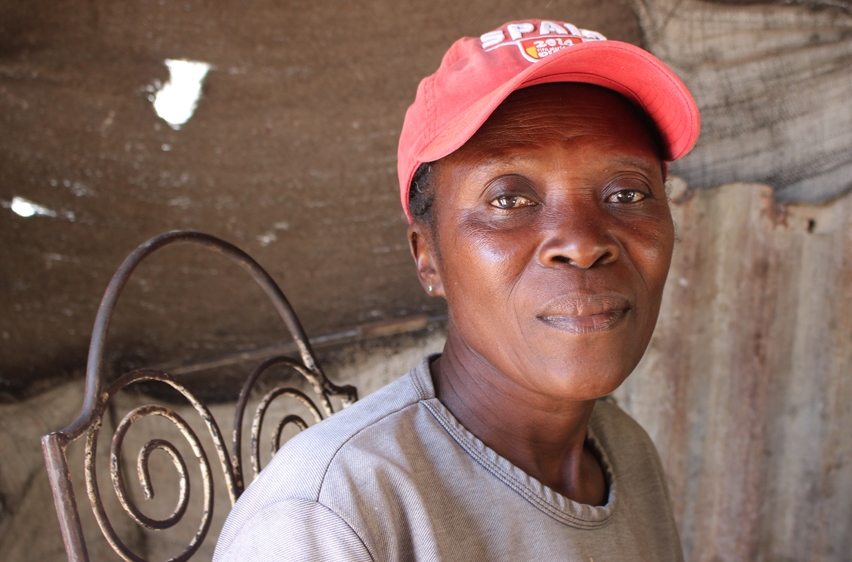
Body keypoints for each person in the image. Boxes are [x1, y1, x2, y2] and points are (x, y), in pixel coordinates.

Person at [214, 18, 699, 561]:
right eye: (508, 199)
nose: (582, 244)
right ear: (429, 259)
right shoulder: (333, 514)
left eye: (627, 193)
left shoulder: (626, 455)